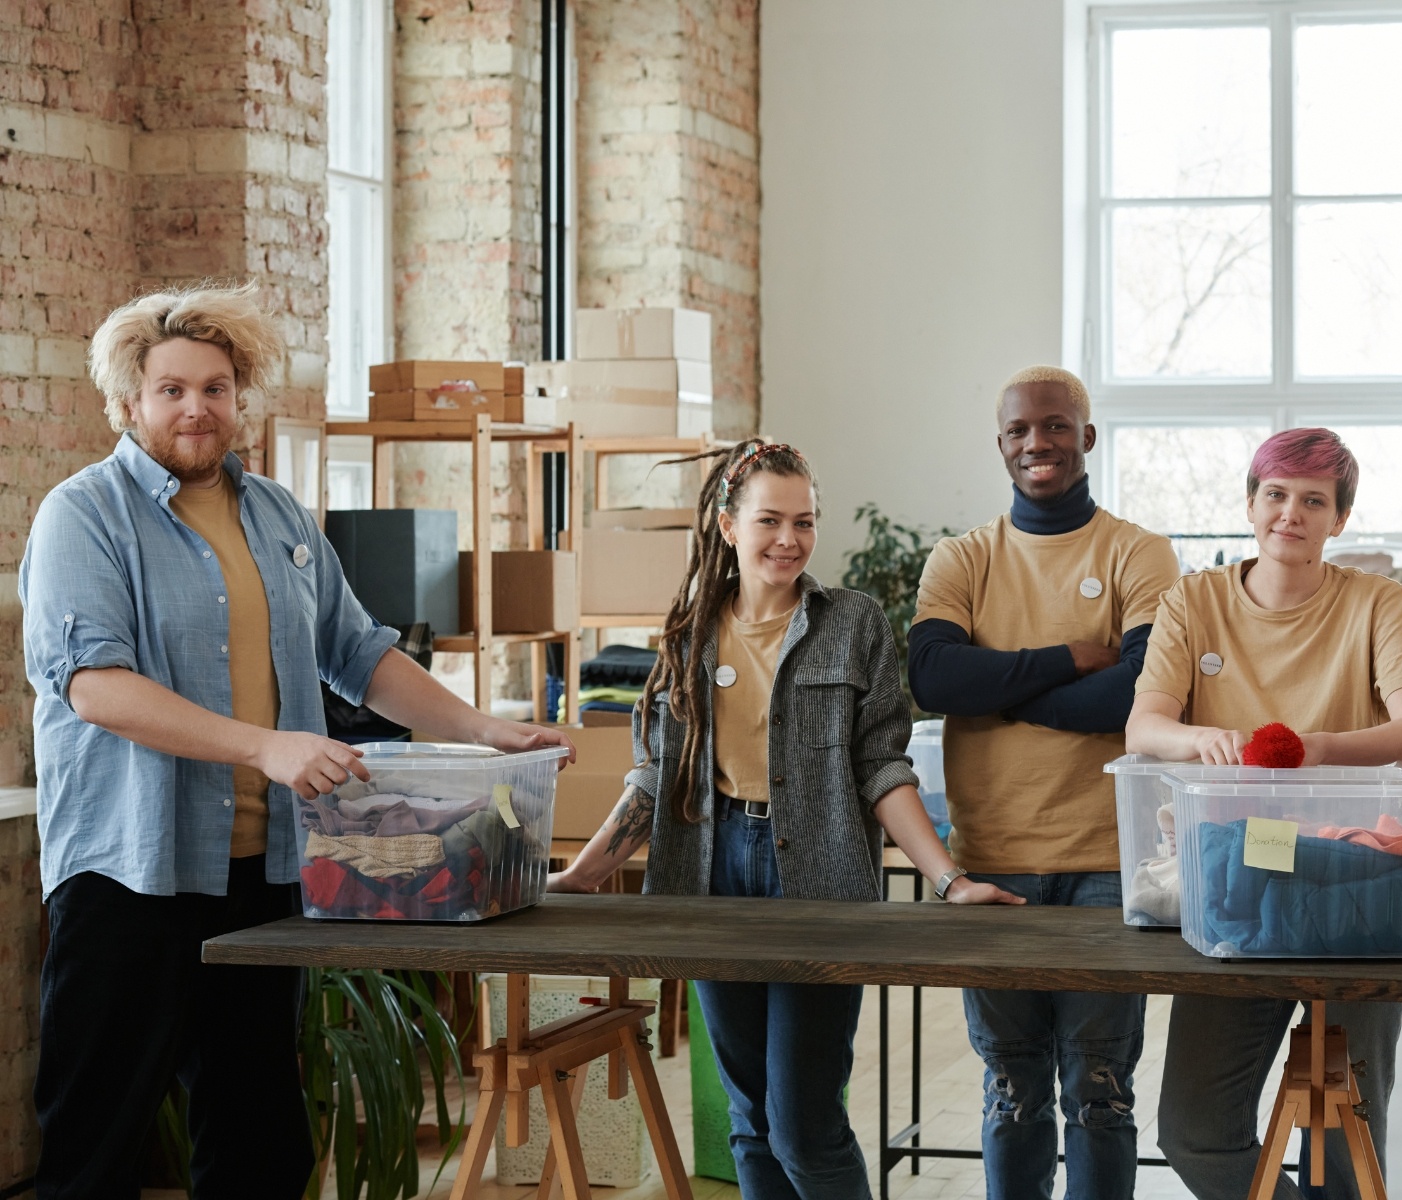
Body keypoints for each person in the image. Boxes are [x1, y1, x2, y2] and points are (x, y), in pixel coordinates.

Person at [19, 284, 575, 1199]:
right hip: (131, 876)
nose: (197, 407)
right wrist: (264, 747)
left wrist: (484, 729)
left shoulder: (276, 513)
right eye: (171, 390)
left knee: (260, 1142)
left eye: (216, 387)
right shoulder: (83, 515)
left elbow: (359, 655)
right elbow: (94, 686)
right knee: (96, 1148)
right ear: (127, 403)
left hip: (263, 873)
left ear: (242, 397)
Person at [548, 439, 1019, 1200]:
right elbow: (653, 775)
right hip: (709, 870)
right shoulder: (687, 633)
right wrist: (582, 875)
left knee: (803, 1122)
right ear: (729, 526)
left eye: (804, 521)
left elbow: (882, 766)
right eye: (770, 520)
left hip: (821, 876)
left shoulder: (854, 621)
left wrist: (948, 877)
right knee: (750, 1119)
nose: (789, 539)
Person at [1125, 427, 1402, 1200]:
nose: (1290, 514)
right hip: (1234, 880)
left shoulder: (1377, 603)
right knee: (1194, 1130)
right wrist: (1209, 739)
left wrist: (1319, 746)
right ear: (1250, 503)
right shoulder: (1192, 600)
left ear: (1339, 520)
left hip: (1353, 879)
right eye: (1275, 494)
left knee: (1348, 1138)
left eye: (1313, 501)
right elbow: (1144, 729)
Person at [908, 366, 1181, 1200]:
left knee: (1100, 1088)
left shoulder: (1139, 552)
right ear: (1001, 446)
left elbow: (1138, 693)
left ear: (1086, 437)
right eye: (1021, 431)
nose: (1039, 444)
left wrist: (1003, 692)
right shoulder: (963, 557)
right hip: (992, 861)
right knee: (1011, 1087)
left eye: (1056, 426)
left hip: (1109, 859)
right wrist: (1067, 659)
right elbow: (933, 679)